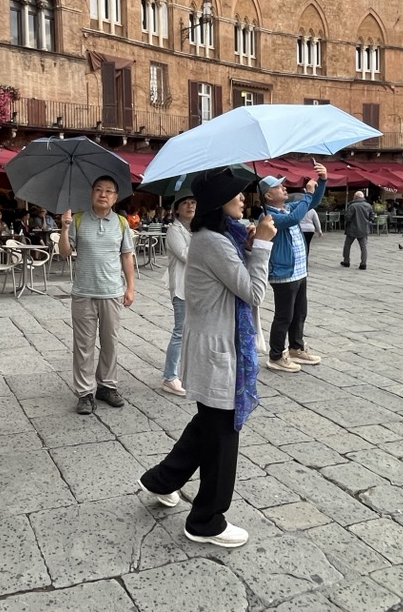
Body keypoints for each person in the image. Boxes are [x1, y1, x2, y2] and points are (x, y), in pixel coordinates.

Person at [138, 166, 276, 549]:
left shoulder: (219, 237)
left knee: (207, 427)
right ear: (219, 201)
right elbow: (253, 292)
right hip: (216, 349)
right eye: (236, 193)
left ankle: (161, 480)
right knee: (221, 437)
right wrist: (263, 247)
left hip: (214, 343)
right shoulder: (213, 242)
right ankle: (206, 520)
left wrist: (250, 244)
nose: (243, 198)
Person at [59, 176, 136, 414]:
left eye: (109, 191)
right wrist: (64, 228)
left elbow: (127, 256)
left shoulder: (121, 223)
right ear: (91, 193)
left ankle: (107, 386)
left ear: (115, 197)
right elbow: (64, 253)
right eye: (99, 190)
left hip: (112, 292)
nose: (103, 194)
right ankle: (84, 393)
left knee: (110, 342)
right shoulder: (78, 219)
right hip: (84, 292)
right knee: (83, 345)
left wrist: (130, 287)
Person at [260, 165, 327, 373]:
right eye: (279, 187)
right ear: (268, 195)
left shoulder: (288, 208)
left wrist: (322, 180)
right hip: (283, 273)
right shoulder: (269, 217)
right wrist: (307, 193)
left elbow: (312, 203)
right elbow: (293, 220)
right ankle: (276, 355)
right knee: (284, 316)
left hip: (299, 270)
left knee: (300, 312)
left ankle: (296, 347)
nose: (284, 188)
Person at [160, 187, 196, 396]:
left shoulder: (196, 229)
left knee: (194, 332)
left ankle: (188, 371)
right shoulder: (174, 230)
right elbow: (186, 255)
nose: (190, 206)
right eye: (185, 203)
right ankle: (169, 376)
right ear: (177, 209)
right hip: (181, 288)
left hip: (198, 288)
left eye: (193, 202)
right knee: (180, 332)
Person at [341, 191, 375, 270]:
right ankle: (363, 263)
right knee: (363, 247)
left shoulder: (352, 206)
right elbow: (372, 216)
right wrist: (368, 222)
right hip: (363, 229)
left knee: (347, 245)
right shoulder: (368, 205)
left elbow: (348, 217)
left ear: (355, 197)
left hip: (352, 229)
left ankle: (346, 261)